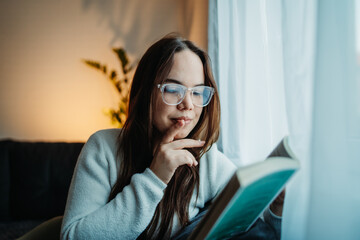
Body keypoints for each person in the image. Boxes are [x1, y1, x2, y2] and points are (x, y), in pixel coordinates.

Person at [60, 34, 282, 240]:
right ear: (147, 92)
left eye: (197, 92)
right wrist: (155, 177)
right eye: (173, 89)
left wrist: (277, 209)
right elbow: (73, 236)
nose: (188, 105)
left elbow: (253, 226)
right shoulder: (104, 148)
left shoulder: (206, 160)